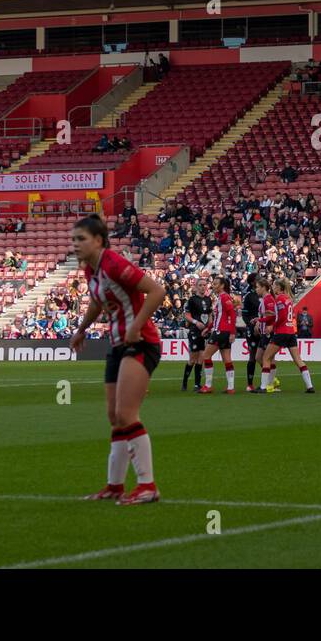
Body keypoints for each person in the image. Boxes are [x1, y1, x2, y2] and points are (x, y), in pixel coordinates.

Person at [70, 214, 168, 505]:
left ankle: (147, 485)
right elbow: (98, 302)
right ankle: (114, 486)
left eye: (81, 239)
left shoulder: (113, 263)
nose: (75, 244)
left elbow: (156, 291)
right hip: (117, 344)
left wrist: (136, 326)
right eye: (73, 239)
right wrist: (82, 329)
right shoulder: (92, 270)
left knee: (127, 415)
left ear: (98, 241)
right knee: (115, 418)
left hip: (140, 342)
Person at [259, 277, 315, 393]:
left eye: (274, 286)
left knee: (266, 357)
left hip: (281, 332)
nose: (273, 288)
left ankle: (264, 387)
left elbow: (280, 317)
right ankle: (310, 386)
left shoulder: (279, 299)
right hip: (291, 332)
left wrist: (271, 325)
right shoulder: (288, 299)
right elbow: (283, 315)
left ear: (279, 287)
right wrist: (265, 318)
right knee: (298, 360)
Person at [199, 274, 237, 394]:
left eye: (215, 284)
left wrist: (232, 332)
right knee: (227, 359)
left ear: (222, 286)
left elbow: (232, 315)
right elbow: (219, 317)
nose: (213, 286)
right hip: (221, 330)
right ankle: (230, 387)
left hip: (221, 332)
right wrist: (209, 327)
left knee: (205, 356)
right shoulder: (221, 297)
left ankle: (208, 385)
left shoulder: (224, 297)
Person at [182, 277, 211, 393]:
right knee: (193, 358)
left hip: (204, 332)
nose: (203, 287)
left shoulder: (209, 300)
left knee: (201, 357)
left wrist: (209, 327)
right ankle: (184, 382)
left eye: (205, 285)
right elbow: (186, 315)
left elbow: (209, 315)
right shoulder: (192, 300)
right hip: (194, 330)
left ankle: (197, 384)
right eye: (200, 285)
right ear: (196, 287)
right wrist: (196, 322)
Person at [241, 276, 266, 393]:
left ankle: (268, 381)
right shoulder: (249, 296)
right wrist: (252, 325)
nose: (260, 279)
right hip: (253, 330)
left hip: (265, 329)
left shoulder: (265, 295)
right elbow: (245, 315)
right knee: (253, 355)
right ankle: (250, 384)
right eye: (257, 279)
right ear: (252, 282)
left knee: (267, 356)